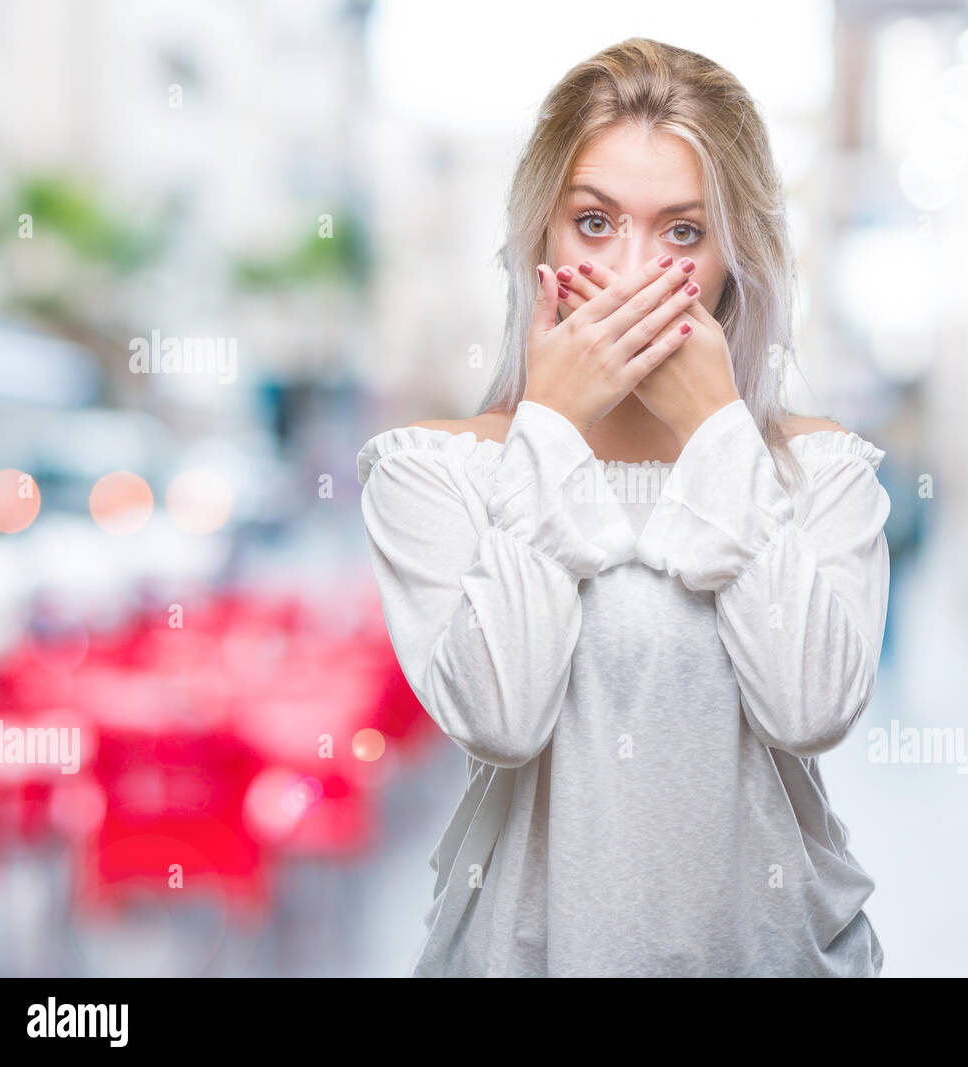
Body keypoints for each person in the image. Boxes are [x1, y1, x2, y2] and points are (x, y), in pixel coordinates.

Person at [357, 37, 891, 977]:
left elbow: (810, 709)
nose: (636, 273)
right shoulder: (438, 471)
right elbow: (501, 717)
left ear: (738, 258)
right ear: (539, 243)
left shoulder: (819, 470)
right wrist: (551, 429)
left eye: (683, 232)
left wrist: (722, 432)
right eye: (594, 223)